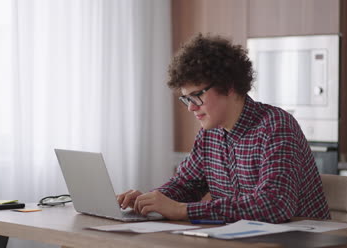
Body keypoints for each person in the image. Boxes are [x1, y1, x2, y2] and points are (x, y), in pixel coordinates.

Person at [117, 34, 330, 223]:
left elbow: (274, 205)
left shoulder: (275, 126)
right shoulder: (209, 135)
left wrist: (183, 210)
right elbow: (185, 185)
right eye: (186, 98)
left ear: (228, 86)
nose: (191, 107)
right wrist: (149, 201)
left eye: (197, 95)